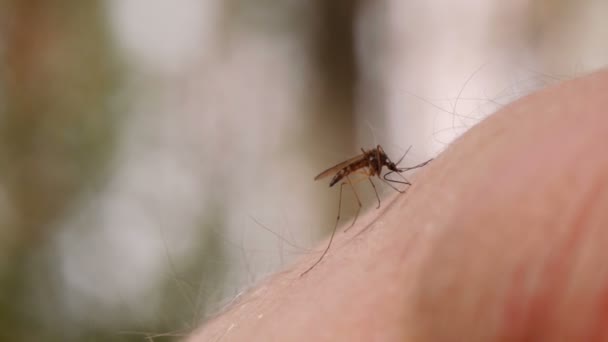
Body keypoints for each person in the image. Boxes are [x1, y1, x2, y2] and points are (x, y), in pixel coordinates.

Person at [189, 69, 608, 341]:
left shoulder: (378, 161)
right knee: (353, 182)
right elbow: (368, 170)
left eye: (380, 161)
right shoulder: (365, 165)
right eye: (382, 161)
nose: (383, 163)